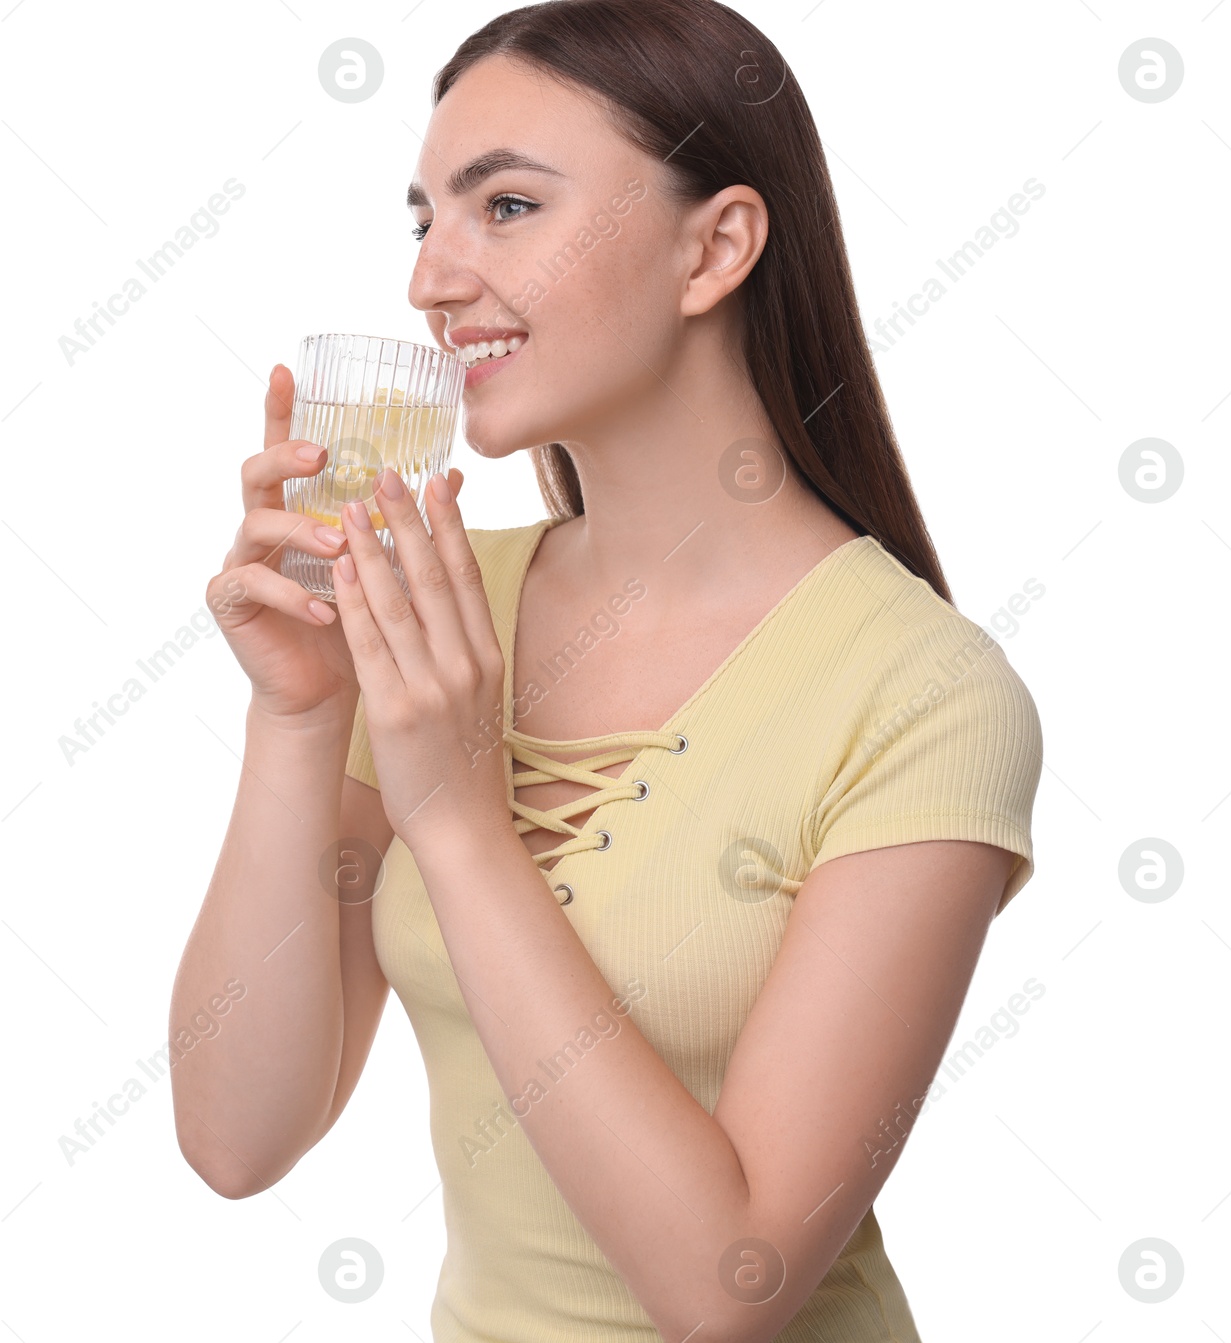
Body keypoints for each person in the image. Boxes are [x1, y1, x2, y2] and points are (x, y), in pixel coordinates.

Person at [170, 1, 1043, 1338]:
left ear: (718, 246)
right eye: (424, 220)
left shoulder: (922, 695)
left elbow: (728, 1288)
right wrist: (301, 715)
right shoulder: (444, 618)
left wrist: (460, 819)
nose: (430, 280)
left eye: (505, 207)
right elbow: (238, 1141)